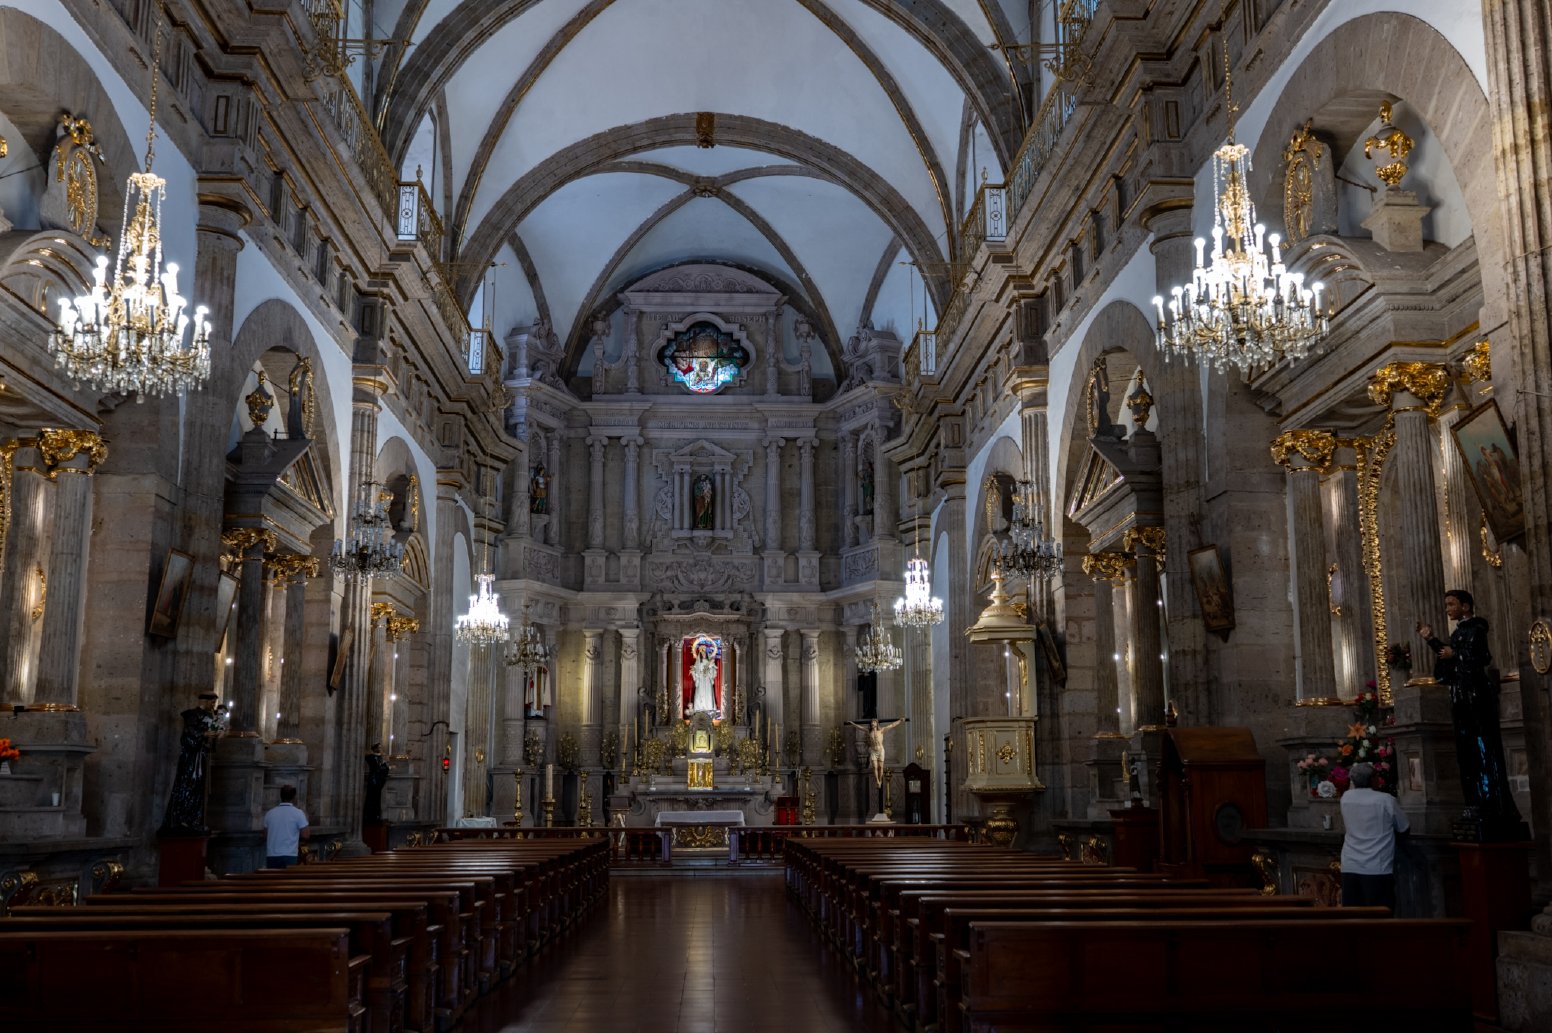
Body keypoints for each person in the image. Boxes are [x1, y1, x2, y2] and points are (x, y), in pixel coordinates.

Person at [1418, 589, 1525, 838]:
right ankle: (1474, 802)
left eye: (1451, 604)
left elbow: (1479, 658)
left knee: (1482, 747)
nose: (1447, 609)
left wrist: (1454, 654)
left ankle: (1491, 804)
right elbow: (1447, 663)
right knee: (1467, 752)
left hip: (1476, 696)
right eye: (1446, 605)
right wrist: (1432, 639)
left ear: (1465, 606)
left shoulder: (1476, 629)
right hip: (1461, 696)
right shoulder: (1458, 632)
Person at [1339, 762, 1409, 910]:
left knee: (1353, 916)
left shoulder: (1346, 797)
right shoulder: (1385, 800)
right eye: (1377, 776)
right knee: (1379, 915)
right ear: (1372, 779)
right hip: (1377, 866)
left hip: (1350, 864)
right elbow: (1403, 827)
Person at [158, 693, 225, 835]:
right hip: (191, 759)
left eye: (214, 703)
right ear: (204, 701)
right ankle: (182, 819)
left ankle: (195, 819)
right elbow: (188, 736)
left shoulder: (211, 716)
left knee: (199, 789)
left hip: (202, 758)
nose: (213, 705)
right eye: (211, 702)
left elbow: (210, 740)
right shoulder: (192, 715)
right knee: (187, 786)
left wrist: (216, 735)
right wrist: (204, 734)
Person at [848, 717, 904, 787]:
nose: (872, 723)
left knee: (880, 767)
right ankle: (877, 781)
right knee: (874, 767)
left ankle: (880, 780)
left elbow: (892, 725)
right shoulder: (869, 731)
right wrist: (852, 723)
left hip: (880, 751)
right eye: (872, 722)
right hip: (873, 751)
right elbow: (860, 727)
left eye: (874, 722)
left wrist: (900, 721)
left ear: (877, 723)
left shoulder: (881, 730)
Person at [263, 785, 310, 869]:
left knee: (272, 880)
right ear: (294, 797)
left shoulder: (270, 813)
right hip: (289, 854)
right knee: (288, 880)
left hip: (272, 855)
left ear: (281, 796)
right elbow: (306, 835)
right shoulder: (298, 813)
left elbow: (266, 835)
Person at [364, 743, 391, 826]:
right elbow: (376, 767)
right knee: (371, 798)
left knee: (377, 799)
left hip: (378, 780)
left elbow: (384, 767)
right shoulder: (371, 757)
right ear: (374, 748)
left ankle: (376, 815)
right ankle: (369, 816)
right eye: (378, 747)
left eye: (380, 747)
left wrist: (386, 766)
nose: (380, 749)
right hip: (373, 779)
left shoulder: (380, 758)